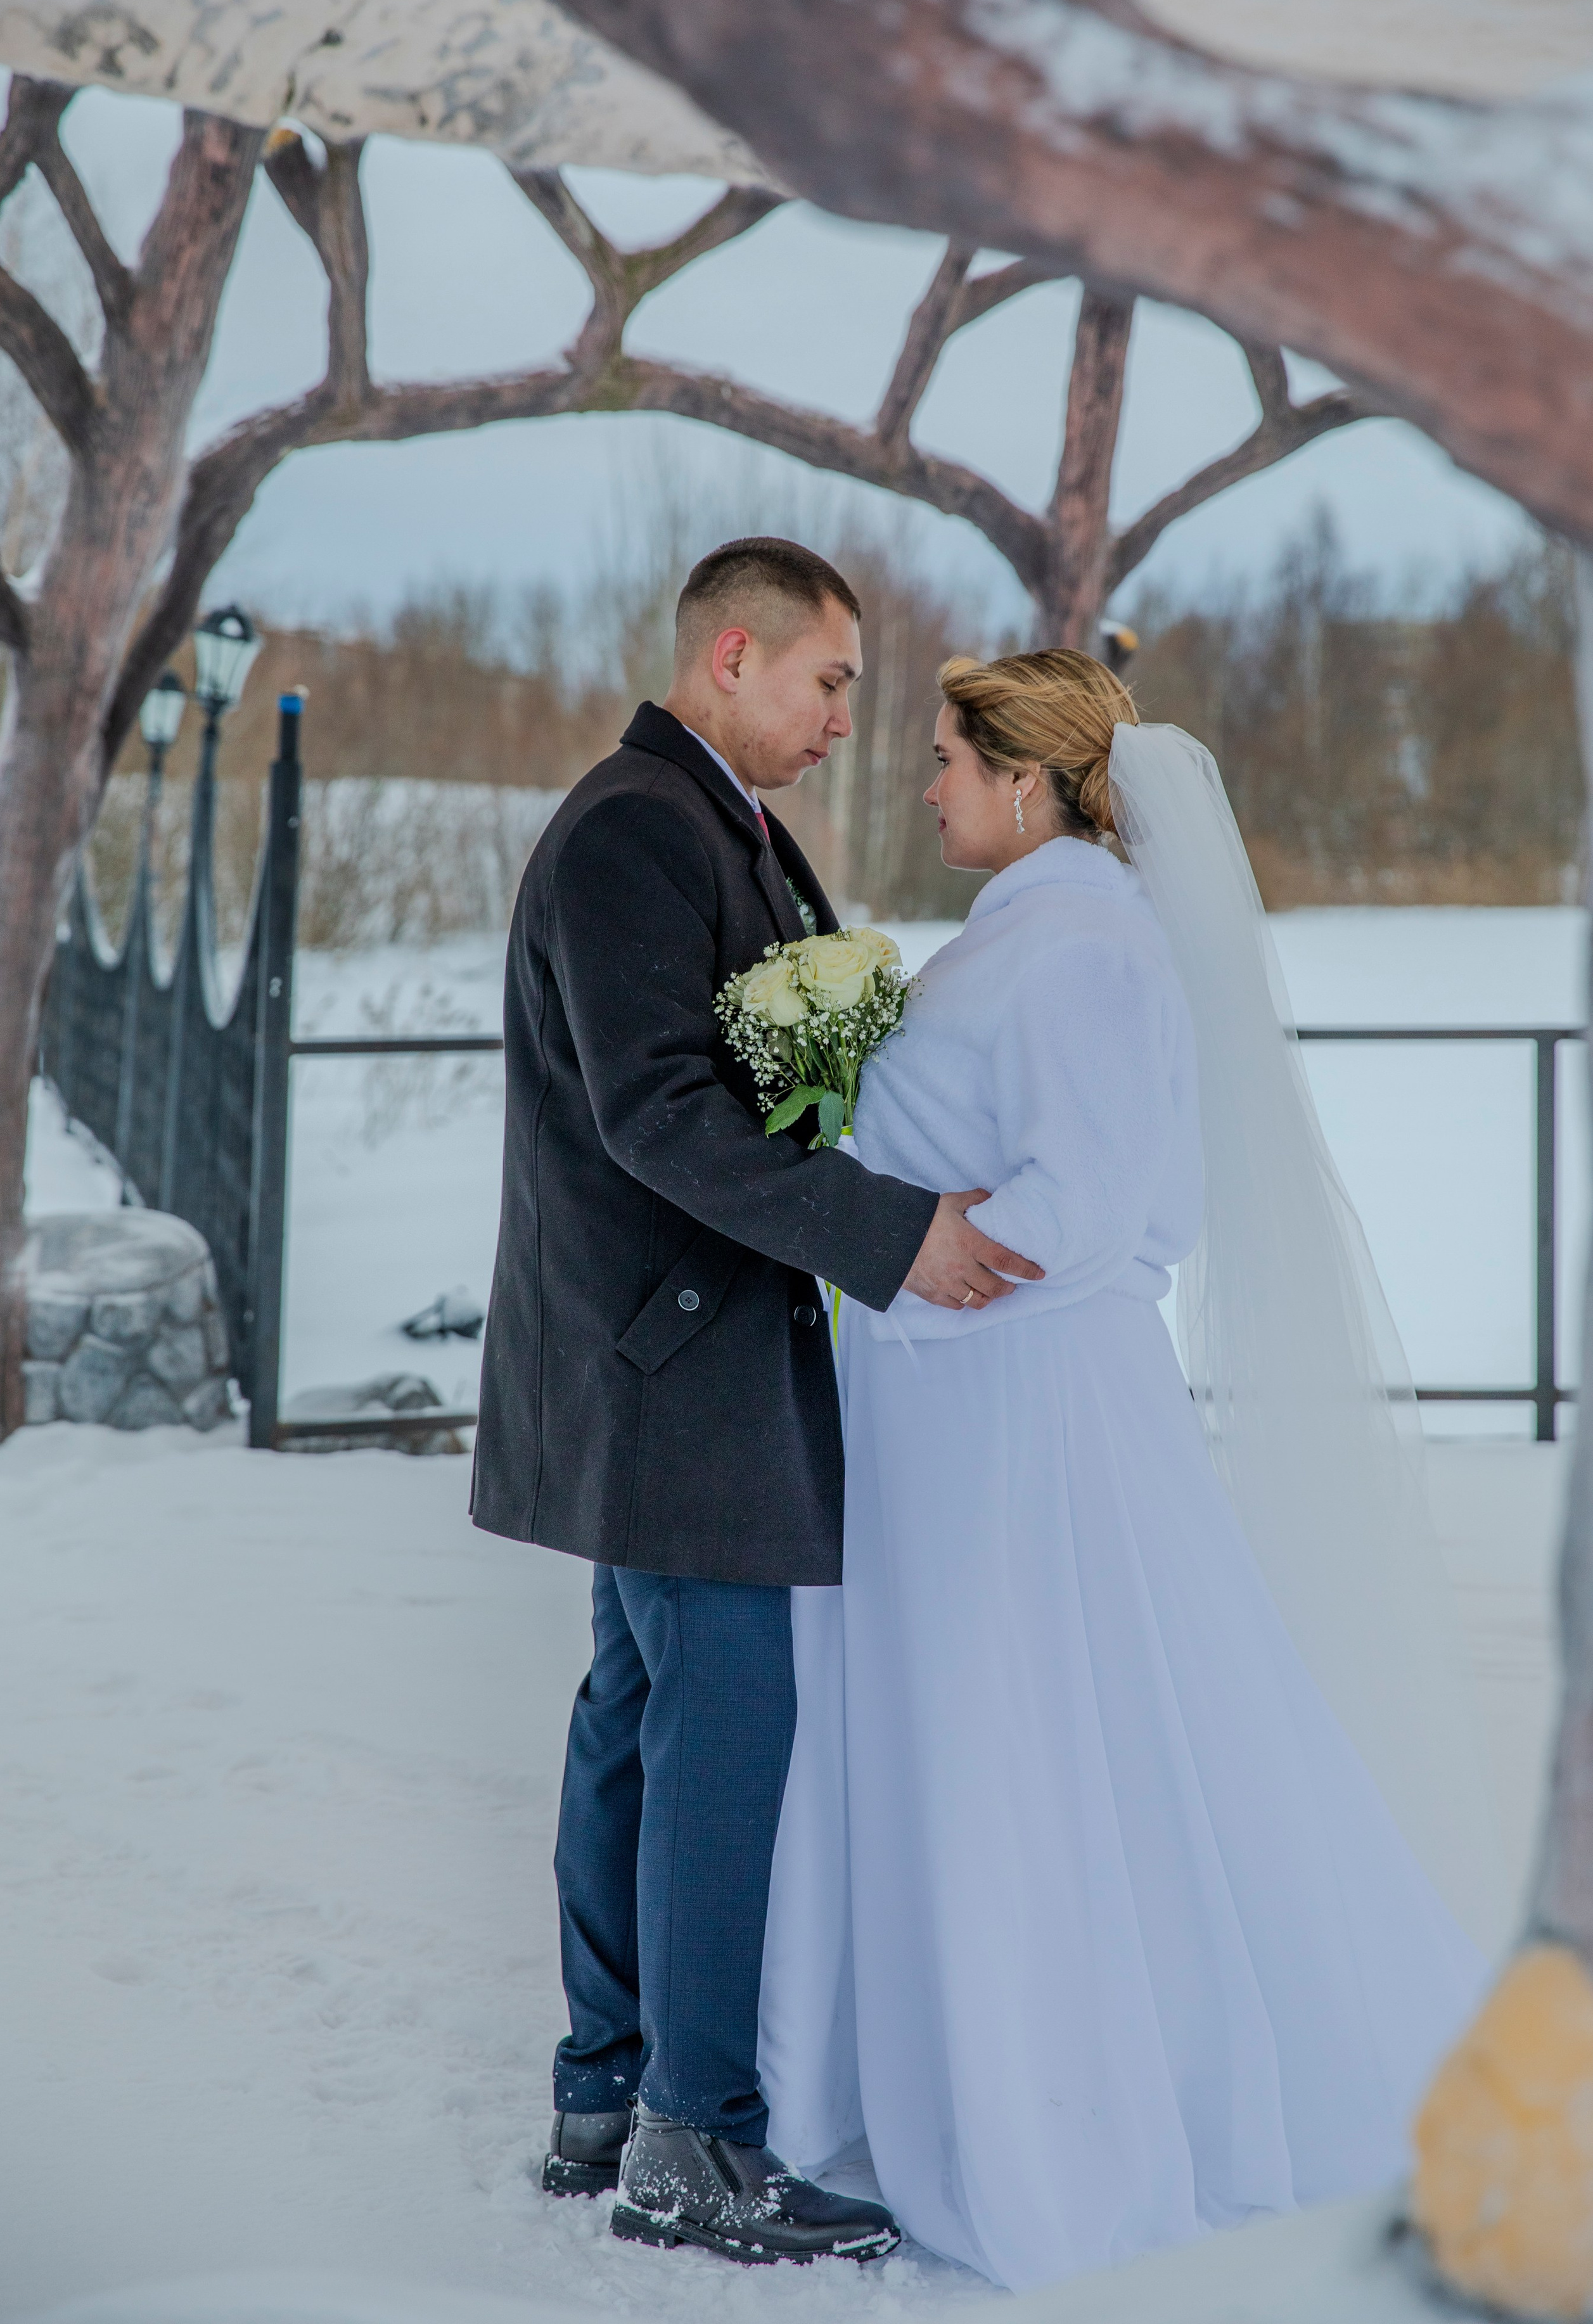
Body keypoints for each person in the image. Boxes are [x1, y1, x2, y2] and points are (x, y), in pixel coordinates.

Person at [758, 647, 1495, 2292]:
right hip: (963, 1405)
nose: (929, 781)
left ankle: (1049, 2121)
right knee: (1027, 1726)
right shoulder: (1037, 925)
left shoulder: (1083, 944)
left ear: (1027, 781)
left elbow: (1087, 1200)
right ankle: (962, 2075)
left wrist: (914, 1272)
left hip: (1013, 1407)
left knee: (1032, 1734)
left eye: (948, 756)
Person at [469, 538, 1043, 2266]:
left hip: (660, 1352)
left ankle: (608, 2087)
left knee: (640, 1720)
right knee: (712, 1736)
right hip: (675, 1355)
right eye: (830, 681)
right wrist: (894, 1236)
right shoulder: (646, 826)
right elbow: (658, 1112)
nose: (849, 719)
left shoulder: (715, 823)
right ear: (734, 654)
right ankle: (690, 2143)